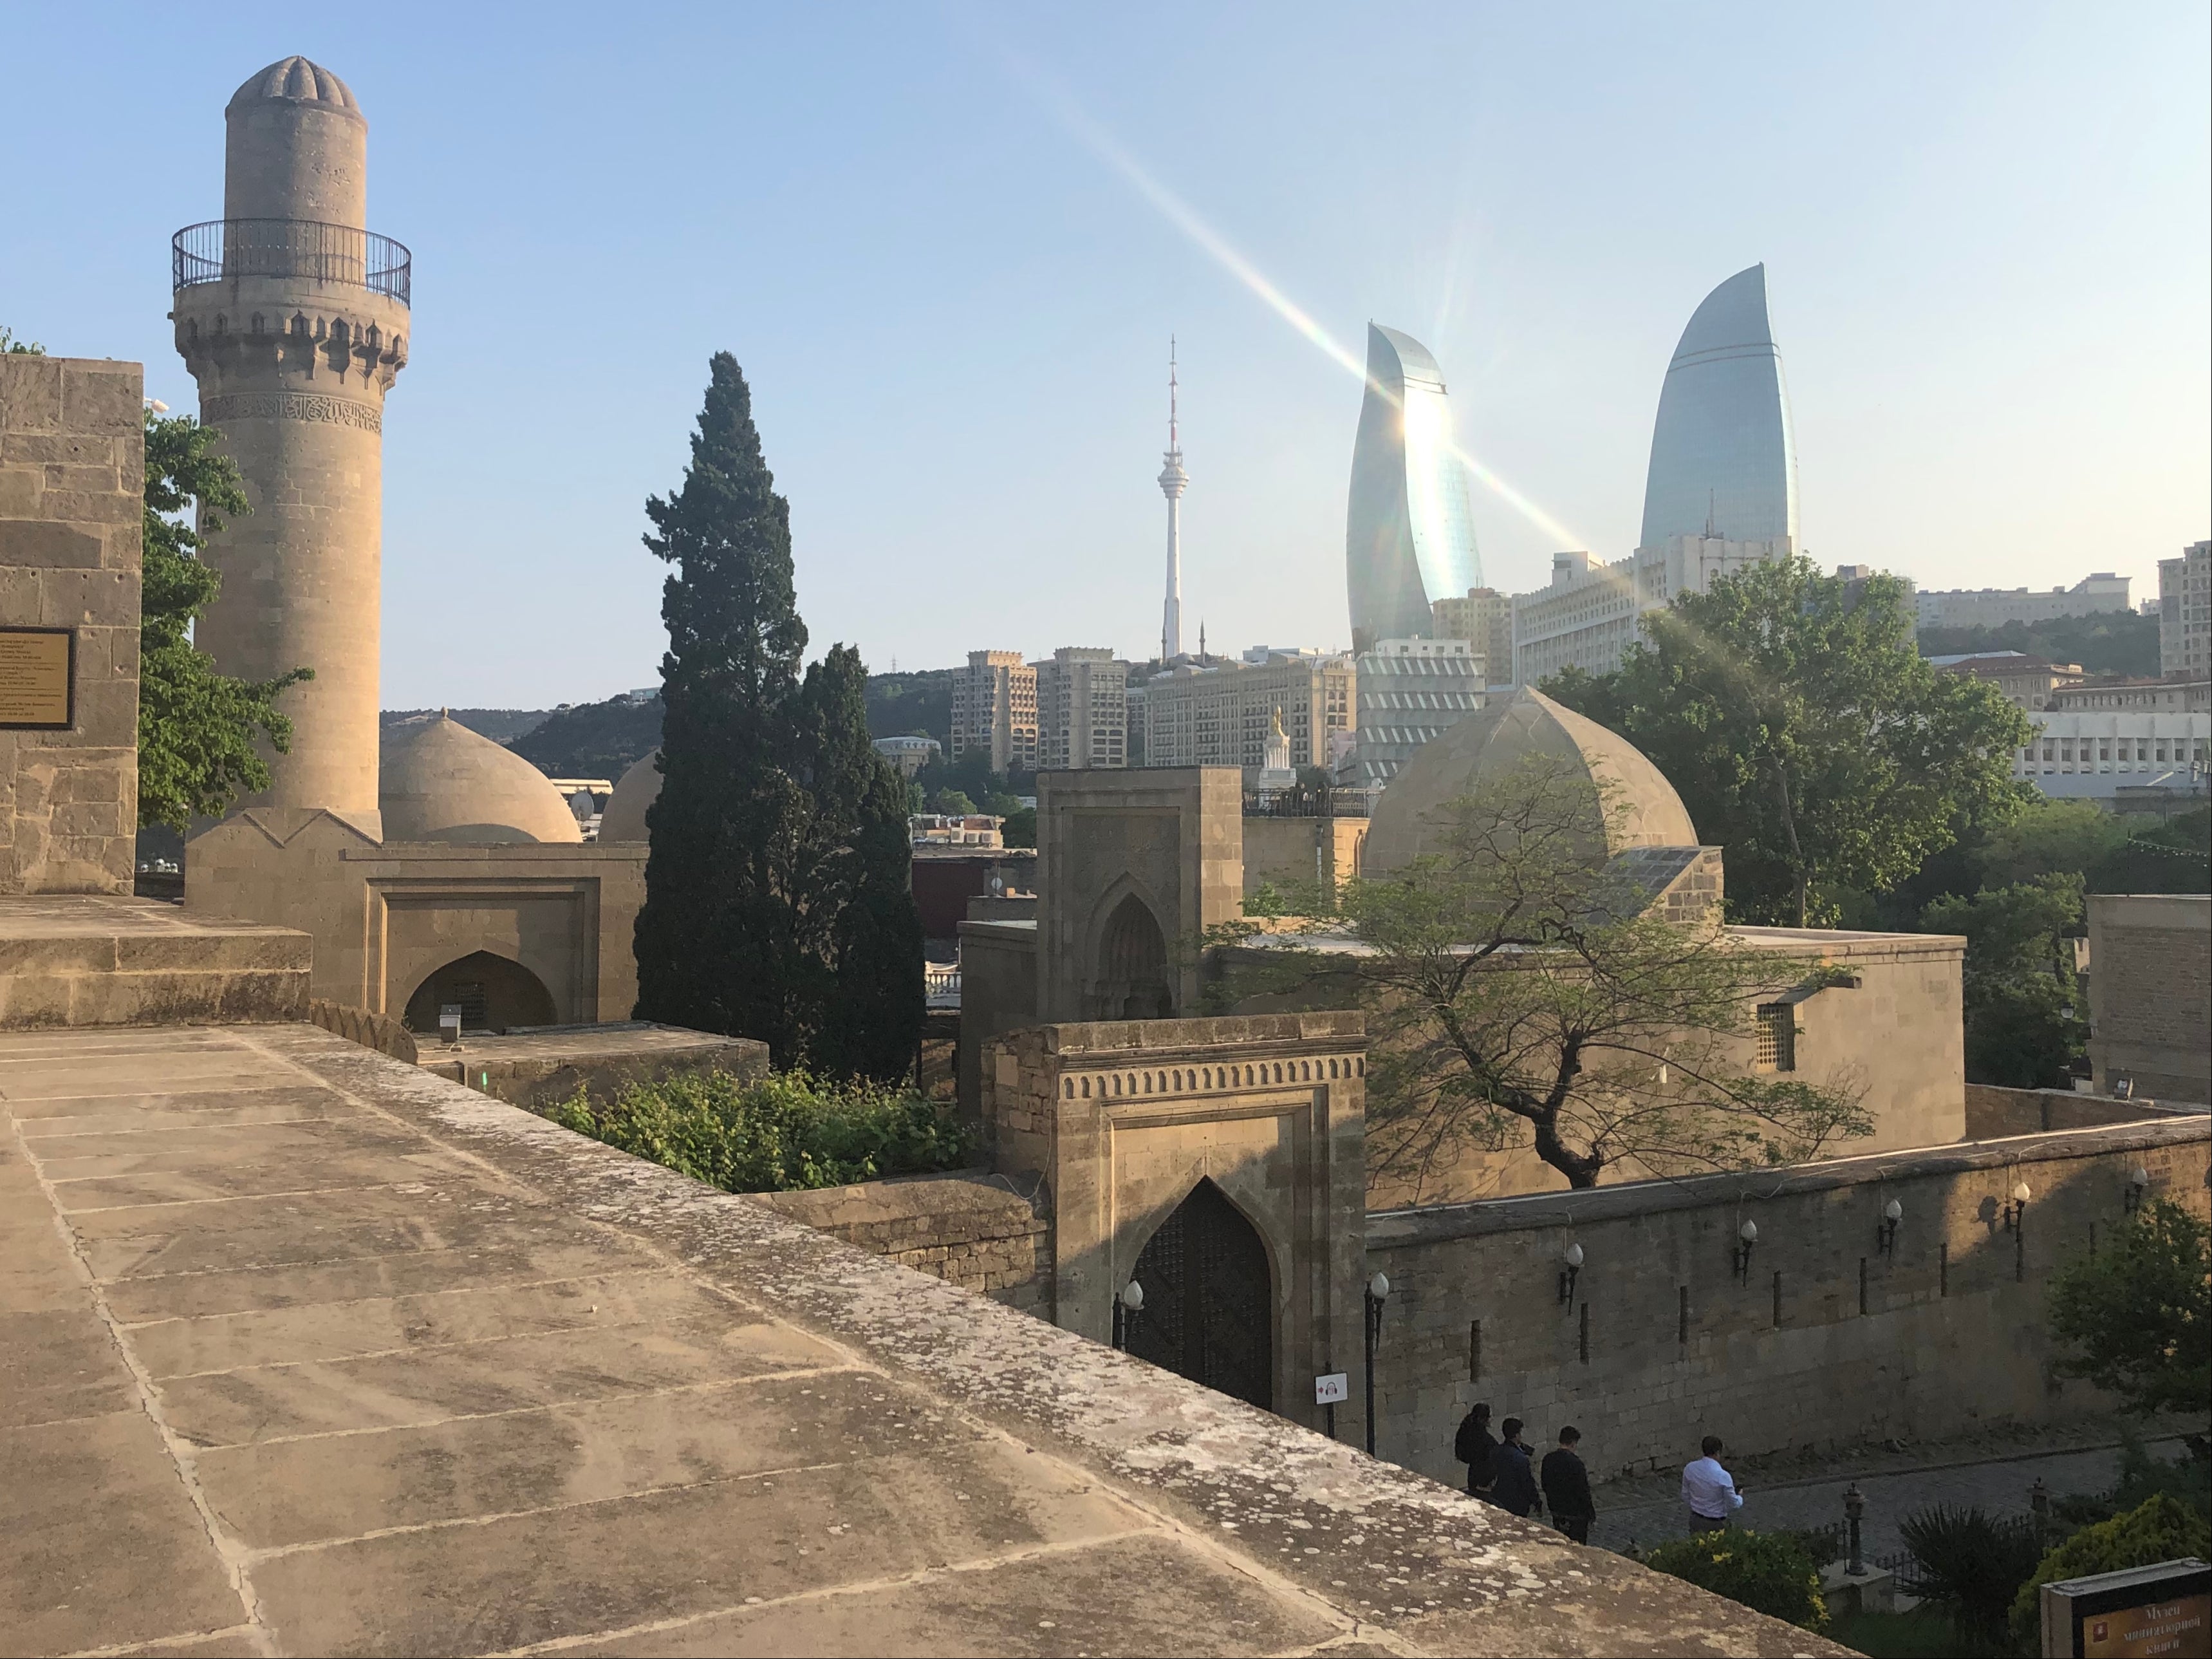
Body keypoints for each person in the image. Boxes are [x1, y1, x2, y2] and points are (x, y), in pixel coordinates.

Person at [1540, 1426, 1597, 1544]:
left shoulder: (1548, 1459)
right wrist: (1591, 1514)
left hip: (1557, 1512)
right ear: (1573, 1443)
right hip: (1575, 1516)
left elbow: (1545, 1484)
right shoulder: (1576, 1464)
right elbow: (1583, 1492)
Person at [1681, 1434, 1743, 1531]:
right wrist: (1739, 1496)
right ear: (1718, 1453)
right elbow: (1733, 1504)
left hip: (1696, 1520)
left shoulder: (1690, 1468)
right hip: (1716, 1523)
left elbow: (1685, 1495)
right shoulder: (1723, 1476)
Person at [1493, 1418, 1541, 1518]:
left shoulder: (1496, 1451)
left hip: (1498, 1499)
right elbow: (1527, 1483)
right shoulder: (1520, 1458)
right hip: (1517, 1504)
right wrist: (1536, 1501)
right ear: (1517, 1435)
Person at [1454, 1401, 1498, 1499]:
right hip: (1484, 1480)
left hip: (1473, 1474)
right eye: (1489, 1416)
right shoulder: (1486, 1440)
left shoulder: (1467, 1432)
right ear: (1484, 1419)